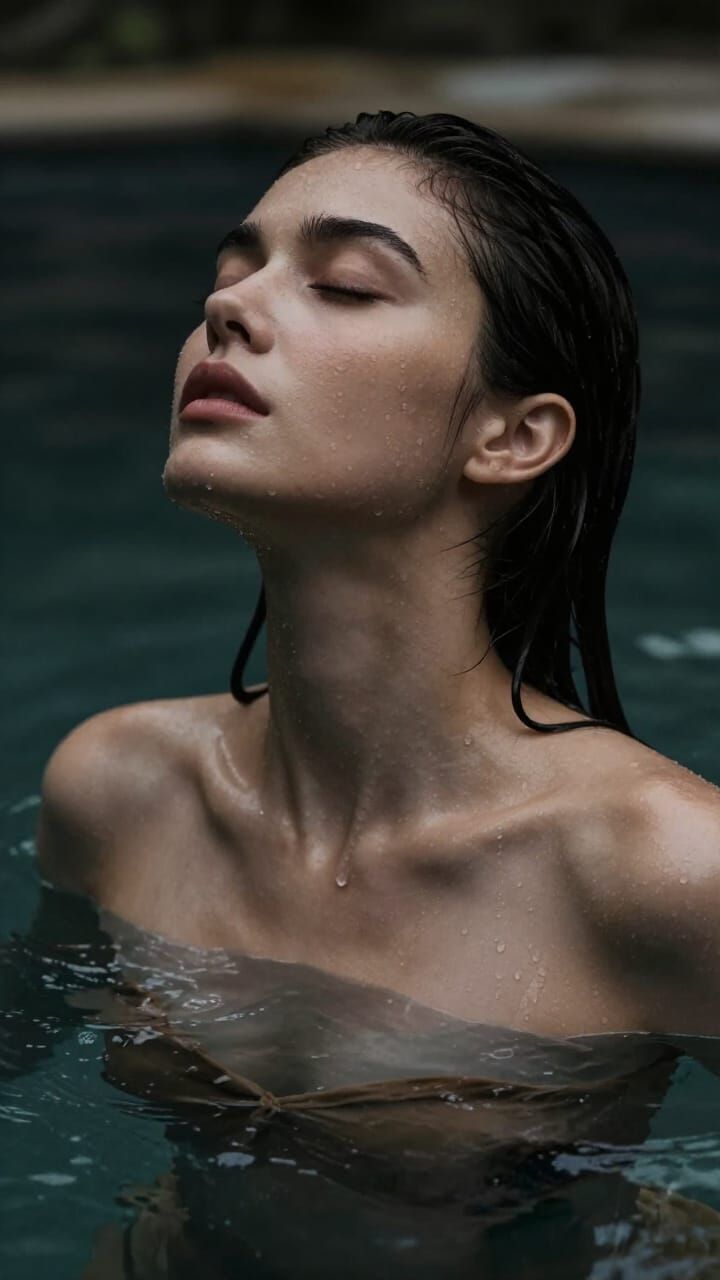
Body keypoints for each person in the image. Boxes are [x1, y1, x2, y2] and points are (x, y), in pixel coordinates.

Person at [37, 109, 720, 1041]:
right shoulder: (115, 795)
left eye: (346, 287)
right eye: (234, 272)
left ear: (514, 438)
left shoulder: (669, 873)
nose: (225, 308)